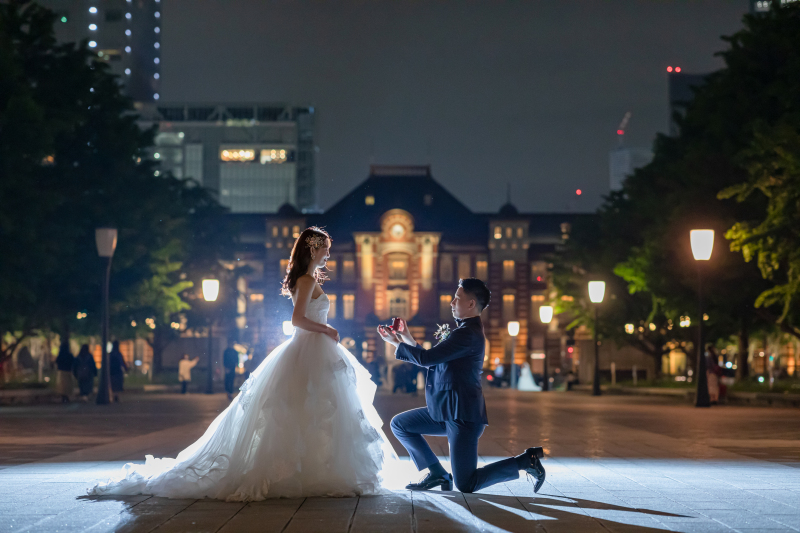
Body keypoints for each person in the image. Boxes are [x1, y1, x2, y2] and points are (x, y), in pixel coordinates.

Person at [90, 227, 397, 500]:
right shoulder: (304, 280)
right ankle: (304, 471)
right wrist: (327, 329)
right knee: (307, 409)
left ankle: (314, 469)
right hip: (310, 346)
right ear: (313, 249)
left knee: (316, 410)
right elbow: (297, 319)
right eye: (326, 249)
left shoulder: (308, 279)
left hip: (315, 349)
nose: (329, 254)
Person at [378, 278, 546, 494]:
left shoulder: (468, 334)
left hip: (462, 416)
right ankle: (437, 473)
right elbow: (434, 357)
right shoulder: (464, 332)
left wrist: (395, 342)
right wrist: (405, 336)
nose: (451, 302)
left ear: (470, 304)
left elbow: (428, 358)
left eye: (457, 298)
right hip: (446, 410)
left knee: (467, 483)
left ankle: (526, 461)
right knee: (400, 425)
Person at [55, 338, 75, 403]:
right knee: (67, 386)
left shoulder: (61, 355)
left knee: (62, 386)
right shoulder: (69, 355)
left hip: (61, 372)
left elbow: (57, 361)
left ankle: (64, 396)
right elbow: (72, 361)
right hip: (68, 371)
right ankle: (66, 396)